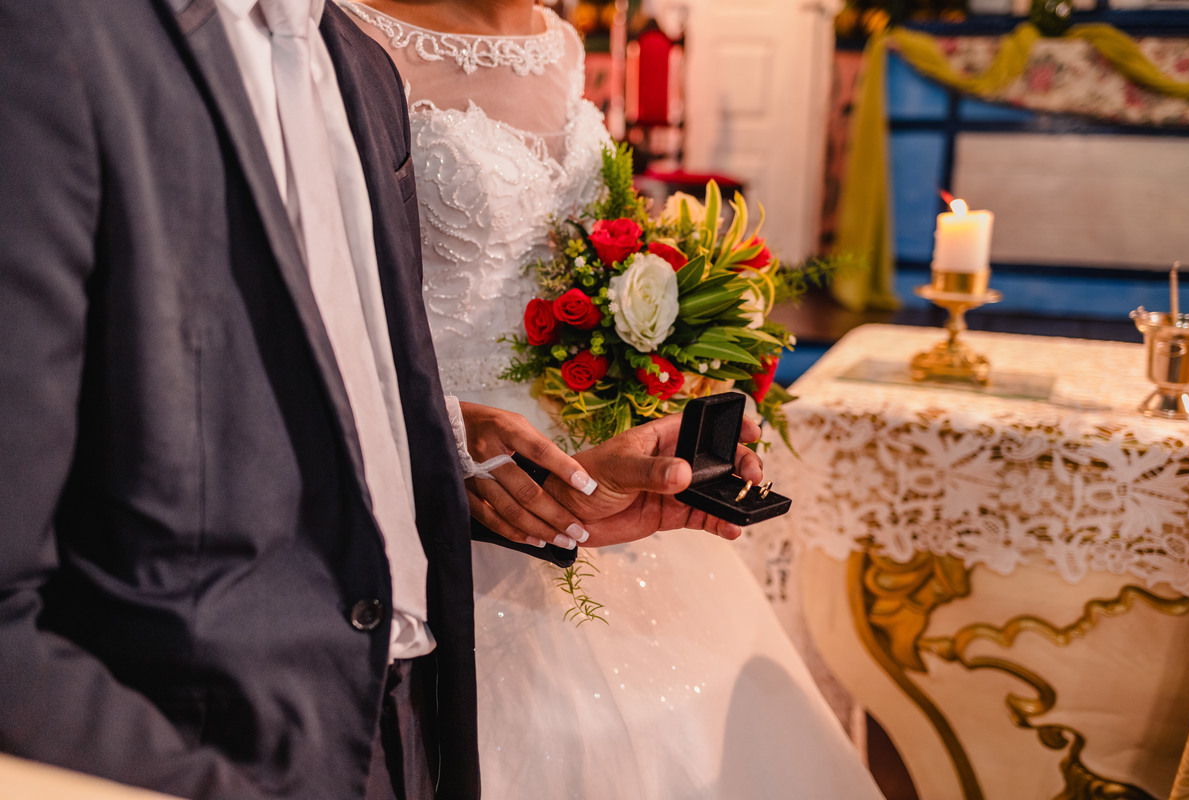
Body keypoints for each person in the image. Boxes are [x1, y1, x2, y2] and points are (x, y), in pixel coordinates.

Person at [0, 1, 760, 798]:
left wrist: (549, 484)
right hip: (204, 741)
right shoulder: (54, 36)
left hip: (415, 706)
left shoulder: (356, 65)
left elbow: (345, 388)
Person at [342, 2, 887, 797]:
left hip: (595, 453)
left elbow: (578, 246)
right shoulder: (348, 33)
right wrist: (446, 430)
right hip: (461, 460)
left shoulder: (558, 42)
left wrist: (662, 361)